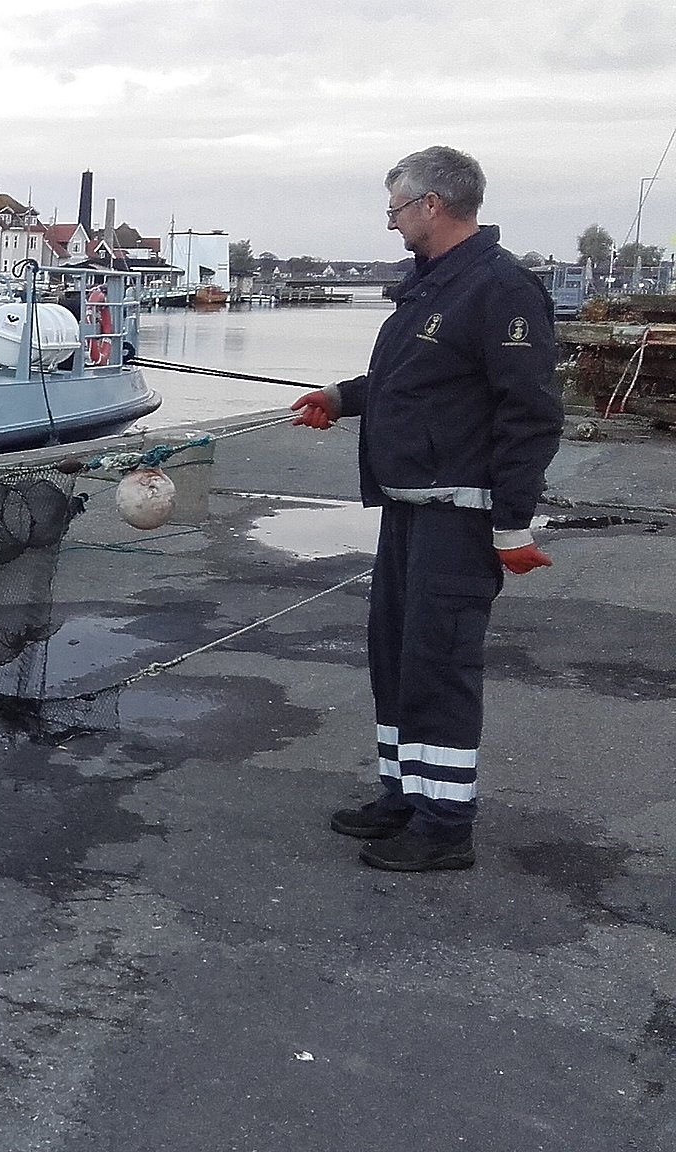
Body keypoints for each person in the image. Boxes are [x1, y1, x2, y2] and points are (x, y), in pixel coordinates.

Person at [290, 146, 562, 872]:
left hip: (460, 514)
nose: (392, 225)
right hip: (408, 510)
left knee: (439, 663)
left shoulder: (502, 290)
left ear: (432, 205)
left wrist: (512, 525)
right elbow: (408, 380)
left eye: (395, 210)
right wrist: (344, 398)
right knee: (398, 657)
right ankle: (405, 794)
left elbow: (530, 413)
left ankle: (445, 826)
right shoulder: (432, 285)